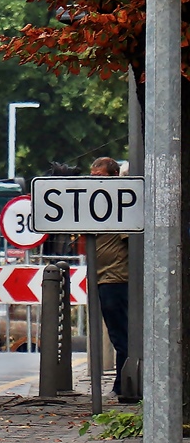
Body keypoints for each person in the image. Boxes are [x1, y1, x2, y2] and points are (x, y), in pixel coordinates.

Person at [90, 156, 129, 398]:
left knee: (121, 335)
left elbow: (132, 244)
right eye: (92, 178)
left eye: (101, 177)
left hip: (117, 279)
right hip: (103, 279)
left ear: (115, 177)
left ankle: (123, 386)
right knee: (117, 334)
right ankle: (122, 384)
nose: (95, 182)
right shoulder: (96, 206)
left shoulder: (121, 204)